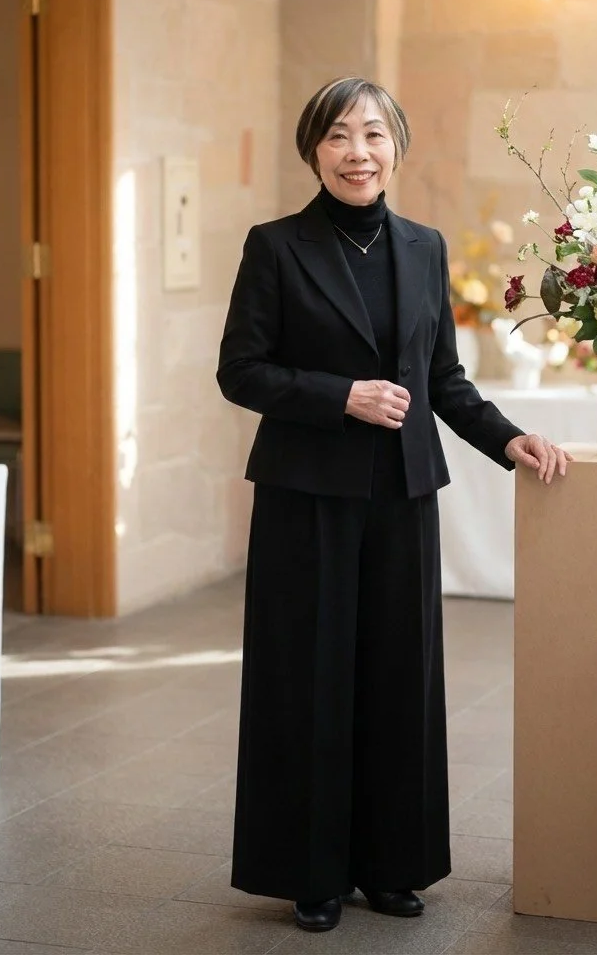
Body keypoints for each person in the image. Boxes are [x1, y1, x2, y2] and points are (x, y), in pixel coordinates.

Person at [217, 76, 573, 934]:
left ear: (396, 148)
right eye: (339, 136)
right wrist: (341, 395)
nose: (358, 152)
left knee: (397, 678)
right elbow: (241, 371)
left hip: (403, 494)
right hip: (307, 495)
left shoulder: (424, 247)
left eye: (373, 135)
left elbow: (444, 378)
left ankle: (391, 865)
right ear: (314, 150)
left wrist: (510, 440)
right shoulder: (275, 246)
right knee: (309, 678)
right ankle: (311, 872)